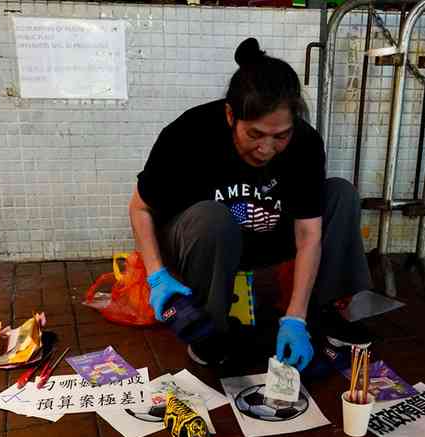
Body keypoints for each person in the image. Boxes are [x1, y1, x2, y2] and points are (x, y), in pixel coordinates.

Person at [128, 38, 371, 371]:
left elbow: (309, 235)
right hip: (203, 241)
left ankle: (320, 314)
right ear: (231, 115)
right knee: (213, 218)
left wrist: (295, 318)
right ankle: (209, 331)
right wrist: (157, 277)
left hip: (267, 237)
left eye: (280, 136)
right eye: (255, 135)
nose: (267, 149)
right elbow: (140, 208)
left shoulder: (305, 143)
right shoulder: (189, 132)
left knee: (341, 194)